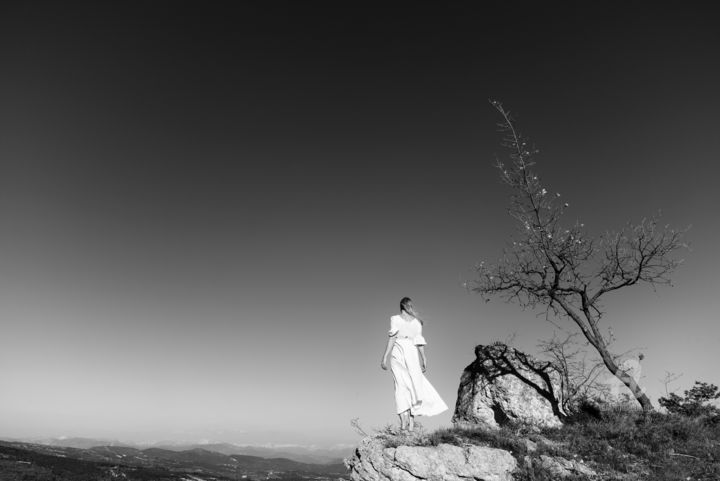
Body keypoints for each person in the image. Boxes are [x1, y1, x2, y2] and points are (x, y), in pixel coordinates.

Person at [380, 297, 448, 432]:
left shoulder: (415, 322)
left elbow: (416, 341)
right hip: (400, 352)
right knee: (403, 386)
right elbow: (397, 338)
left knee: (411, 387)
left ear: (401, 306)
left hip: (407, 352)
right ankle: (405, 422)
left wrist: (423, 358)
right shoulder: (397, 319)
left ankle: (409, 421)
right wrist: (386, 356)